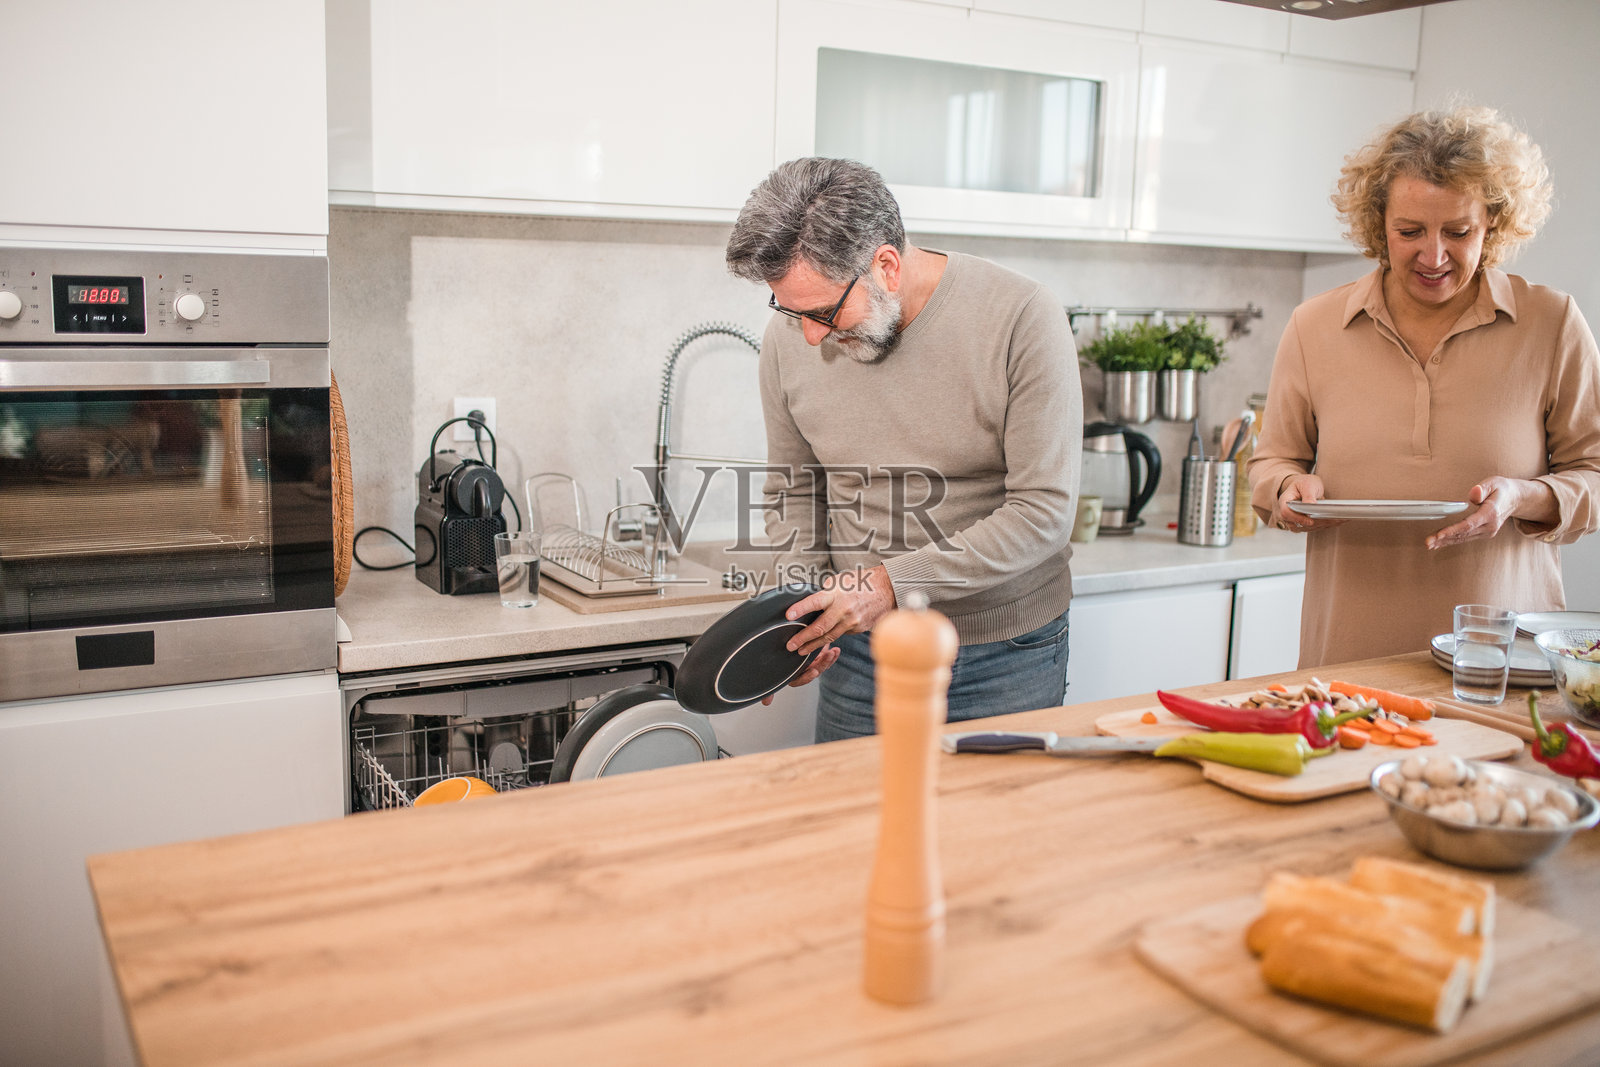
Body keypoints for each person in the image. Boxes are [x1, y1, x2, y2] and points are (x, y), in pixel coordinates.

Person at [724, 157, 1082, 742]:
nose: (810, 336)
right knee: (858, 828)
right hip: (865, 653)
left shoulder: (1020, 317)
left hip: (1006, 652)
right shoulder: (788, 340)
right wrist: (809, 609)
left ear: (886, 266)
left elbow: (1043, 512)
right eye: (789, 311)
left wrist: (889, 585)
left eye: (822, 313)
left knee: (997, 831)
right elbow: (794, 489)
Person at [1249, 106, 1600, 667]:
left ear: (1494, 226)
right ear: (1377, 224)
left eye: (1459, 233)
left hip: (1500, 659)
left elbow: (1596, 472)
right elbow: (1271, 463)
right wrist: (1288, 488)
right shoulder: (1313, 326)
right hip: (1347, 655)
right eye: (1408, 231)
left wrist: (1521, 497)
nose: (1432, 256)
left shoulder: (1552, 323)